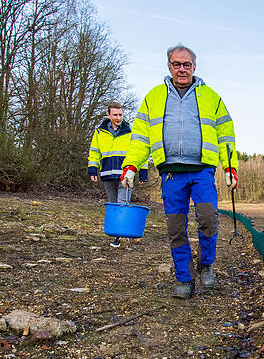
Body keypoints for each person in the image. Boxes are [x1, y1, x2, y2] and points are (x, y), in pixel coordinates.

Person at [121, 44, 238, 299]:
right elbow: (140, 137)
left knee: (208, 218)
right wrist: (131, 165)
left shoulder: (212, 97)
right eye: (177, 64)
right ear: (169, 67)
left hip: (203, 171)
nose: (182, 69)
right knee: (175, 228)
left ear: (194, 67)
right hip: (171, 173)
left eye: (187, 64)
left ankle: (205, 265)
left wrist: (230, 167)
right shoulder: (153, 97)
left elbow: (226, 135)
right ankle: (184, 279)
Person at [87, 101, 148, 247]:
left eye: (120, 114)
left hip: (125, 174)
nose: (118, 118)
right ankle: (116, 232)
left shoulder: (131, 132)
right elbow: (94, 152)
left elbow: (139, 152)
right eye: (115, 115)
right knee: (113, 204)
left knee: (122, 203)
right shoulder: (100, 132)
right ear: (108, 115)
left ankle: (120, 236)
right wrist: (92, 169)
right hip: (107, 174)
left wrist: (143, 172)